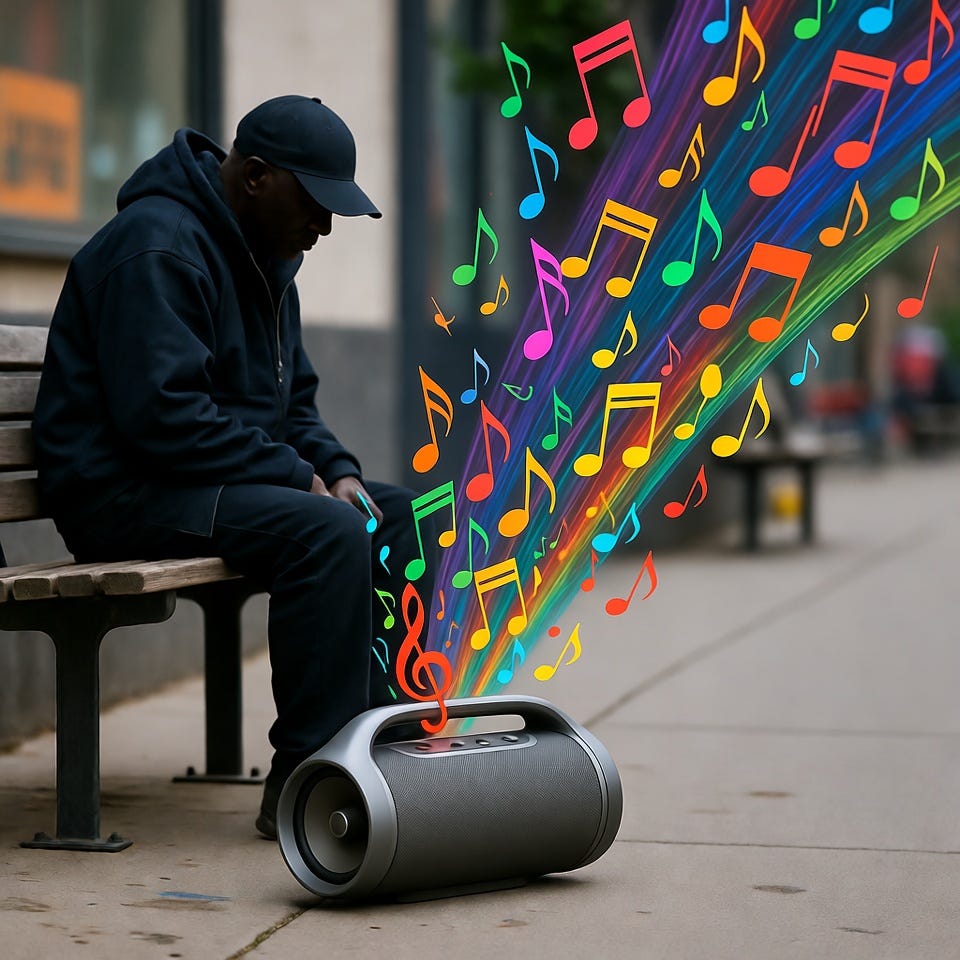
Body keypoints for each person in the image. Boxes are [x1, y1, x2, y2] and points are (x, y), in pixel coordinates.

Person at [33, 95, 433, 840]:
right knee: (324, 533)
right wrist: (298, 478)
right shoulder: (159, 246)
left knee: (398, 516)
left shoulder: (269, 262)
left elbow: (294, 407)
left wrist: (337, 471)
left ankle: (383, 745)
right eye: (314, 203)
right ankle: (308, 779)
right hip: (120, 493)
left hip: (200, 480)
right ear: (255, 178)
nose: (324, 226)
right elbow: (162, 417)